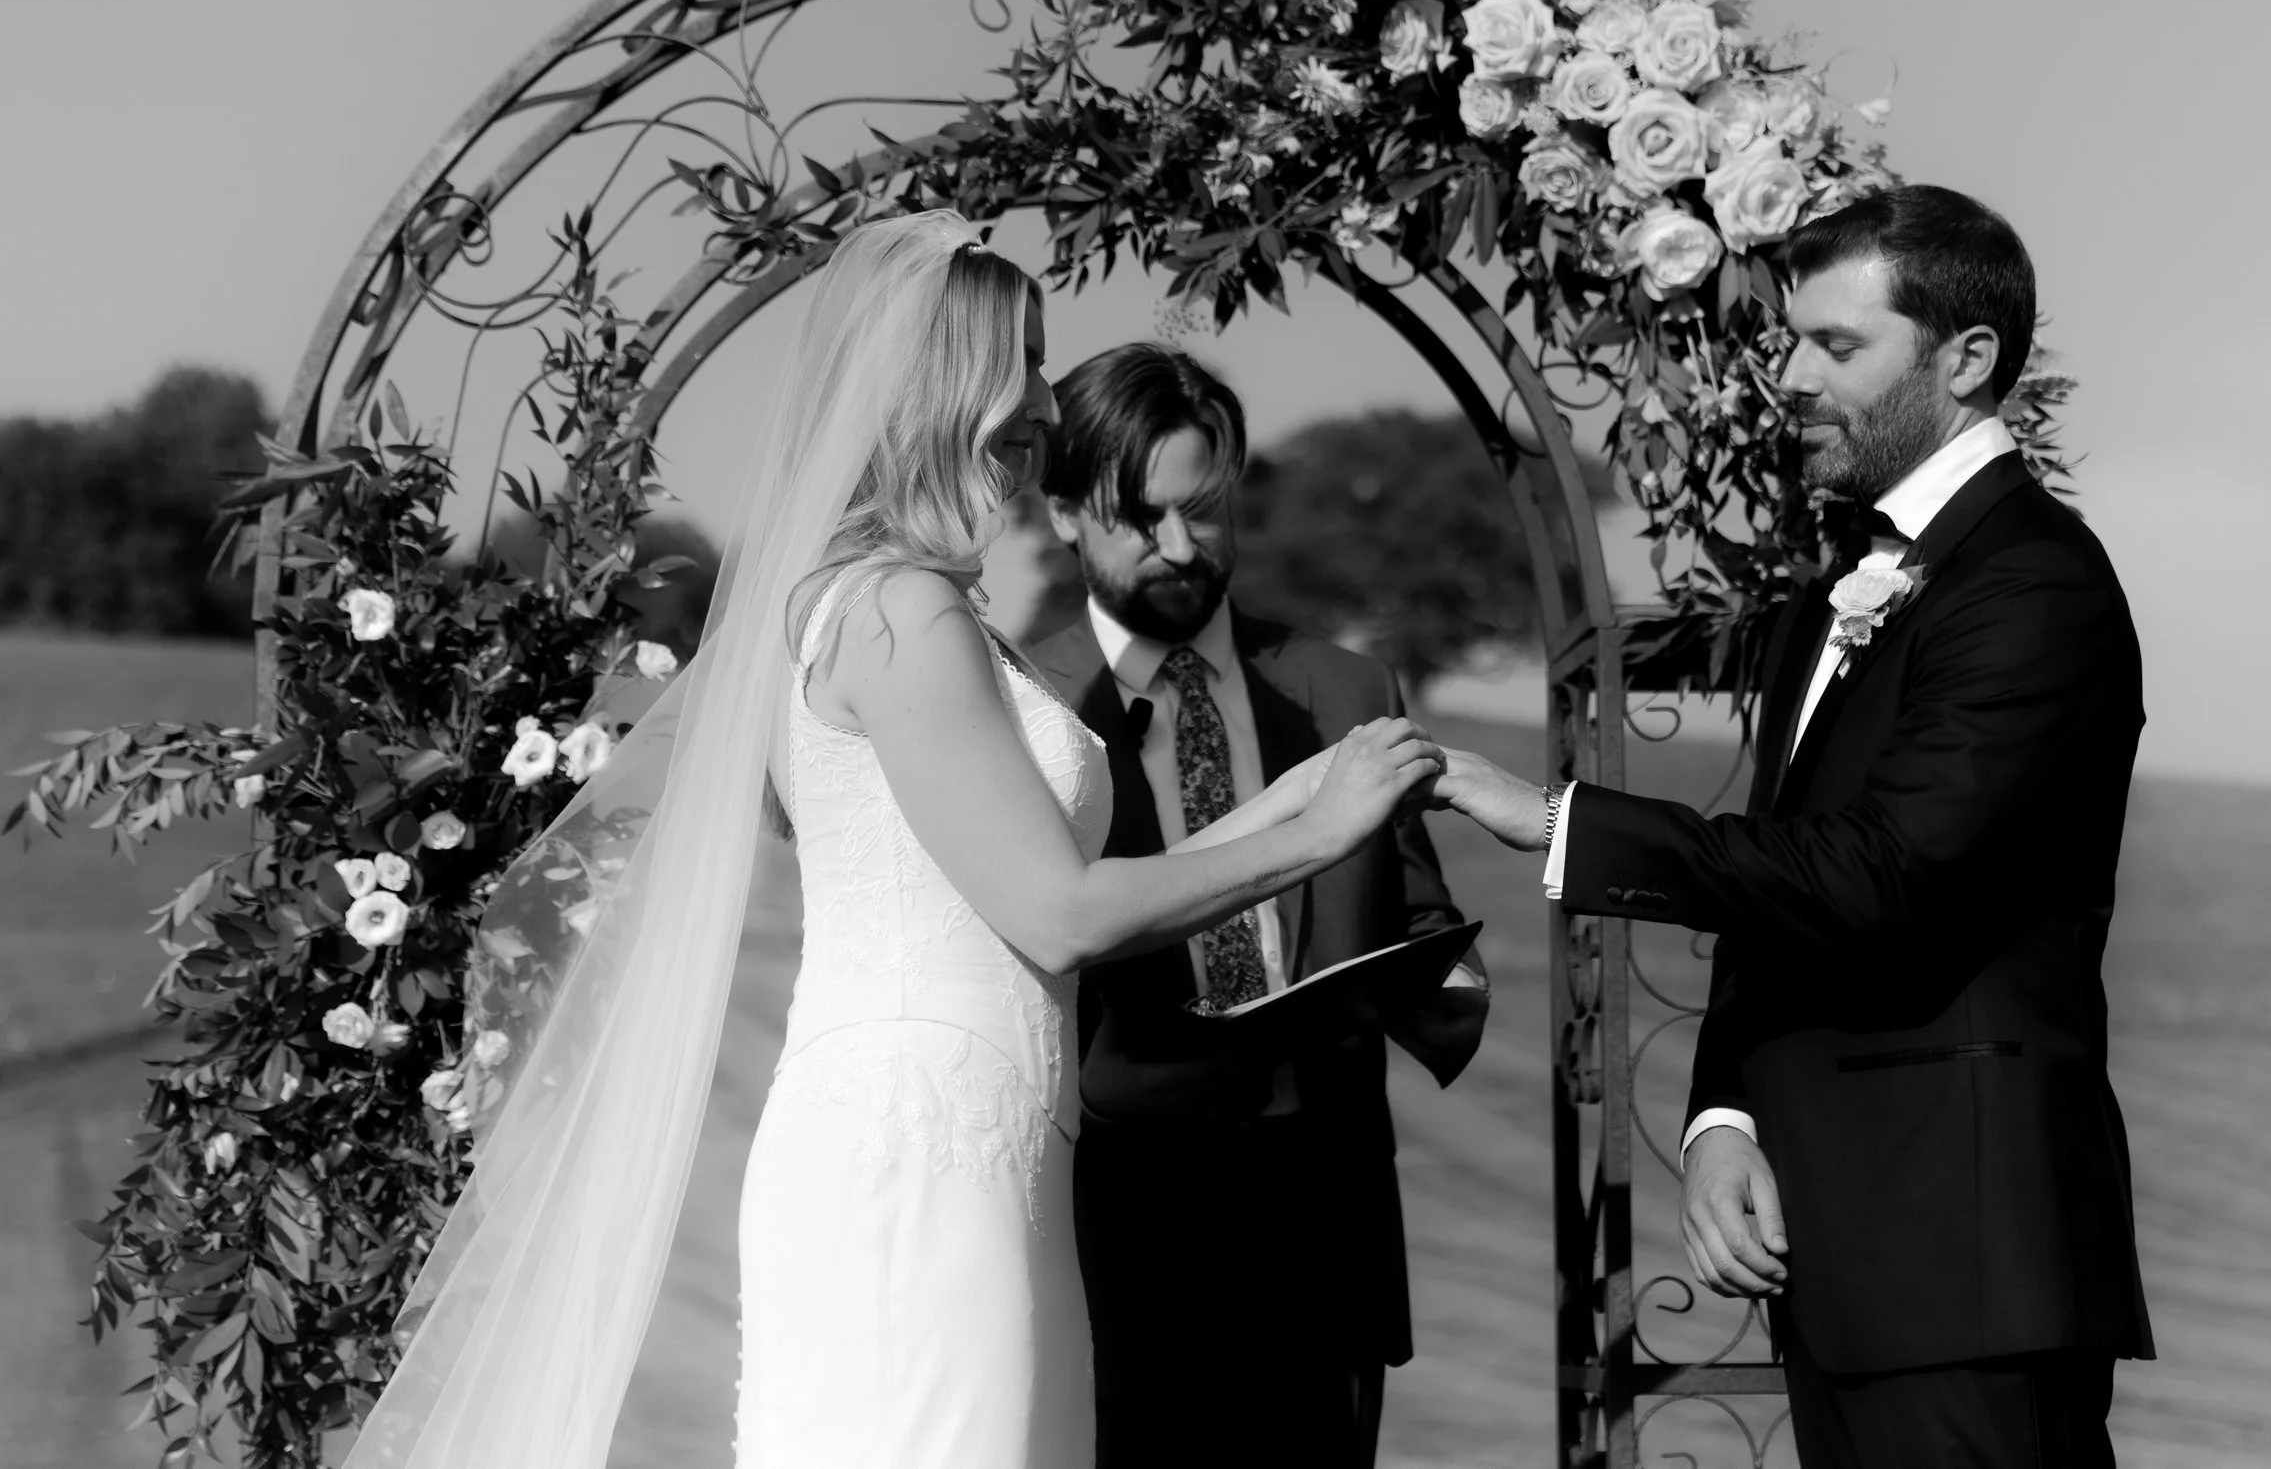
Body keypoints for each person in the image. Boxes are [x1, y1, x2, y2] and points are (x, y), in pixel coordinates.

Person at [337, 213, 1444, 1469]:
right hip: (920, 1147)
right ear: (943, 383)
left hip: (976, 1131)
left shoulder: (884, 600)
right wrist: (1321, 836)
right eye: (1020, 358)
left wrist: (1322, 787)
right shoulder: (900, 610)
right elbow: (1062, 910)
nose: (1042, 397)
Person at [1431, 186, 2153, 1469]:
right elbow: (1789, 892)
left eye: (1836, 347)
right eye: (1788, 342)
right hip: (1839, 1259)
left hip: (1965, 1261)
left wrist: (1559, 823)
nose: (1791, 379)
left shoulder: (2034, 586)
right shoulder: (1845, 589)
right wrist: (1725, 1121)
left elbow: (1881, 872)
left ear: (1966, 358)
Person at [1024, 343, 1489, 1469]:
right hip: (1111, 1215)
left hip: (1319, 1216)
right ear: (1064, 513)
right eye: (1144, 516)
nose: (1183, 547)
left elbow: (1414, 914)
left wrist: (1453, 978)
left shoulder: (1349, 686)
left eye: (1207, 508)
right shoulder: (1023, 702)